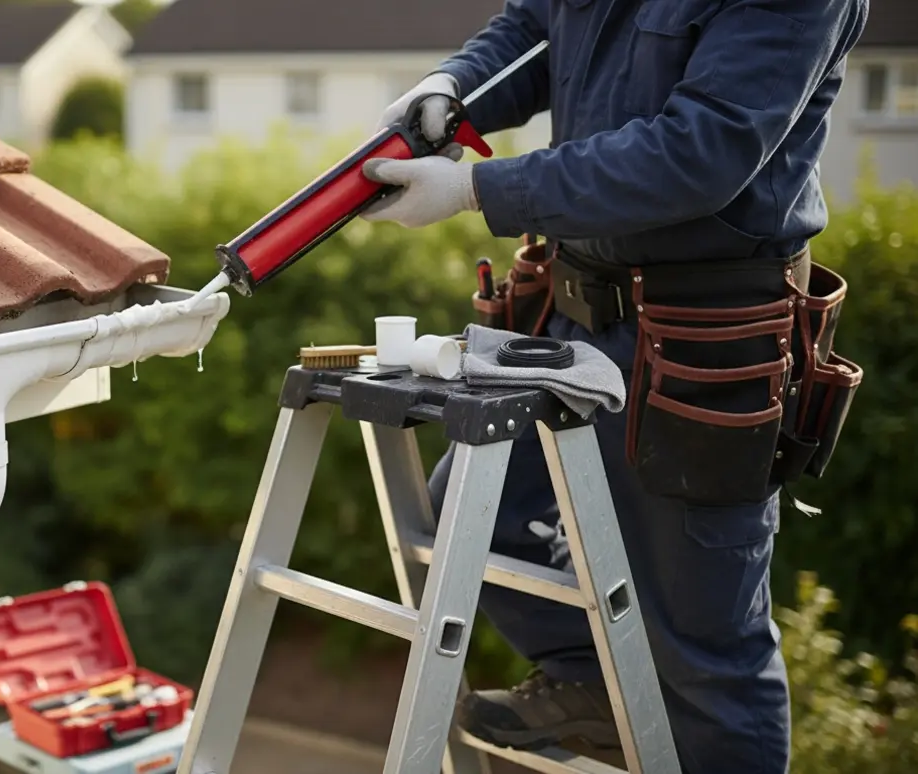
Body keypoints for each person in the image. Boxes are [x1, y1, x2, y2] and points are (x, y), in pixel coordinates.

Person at [358, 1, 870, 772]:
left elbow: (699, 153)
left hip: (707, 338)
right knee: (482, 509)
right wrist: (456, 86)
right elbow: (538, 26)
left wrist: (477, 193)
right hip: (575, 314)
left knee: (703, 646)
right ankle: (589, 684)